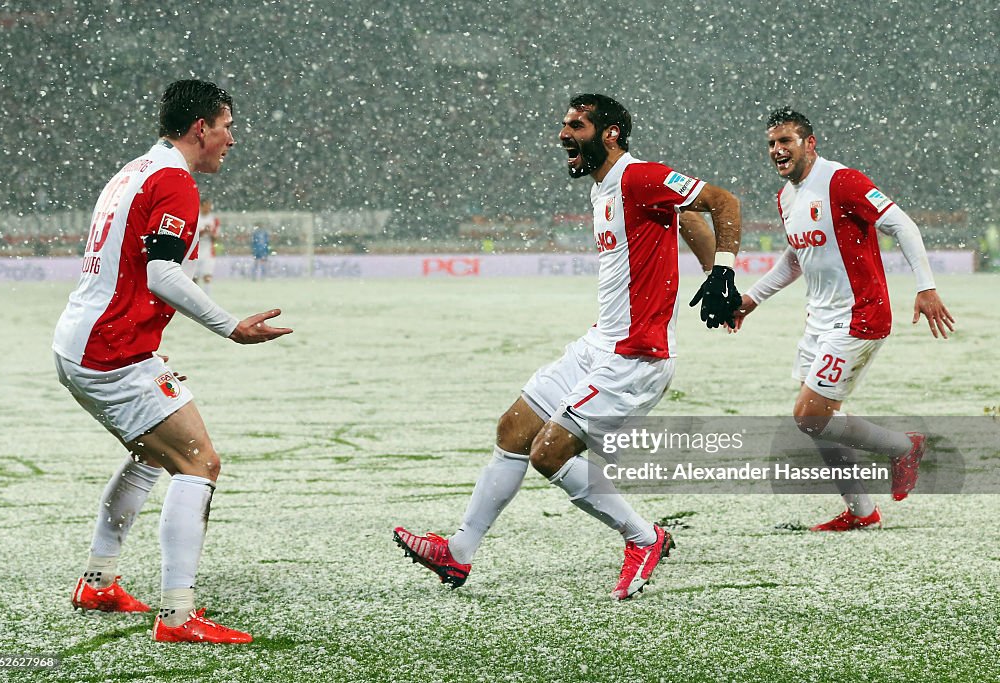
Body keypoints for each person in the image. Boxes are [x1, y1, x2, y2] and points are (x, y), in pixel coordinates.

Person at [394, 93, 743, 600]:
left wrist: (725, 272)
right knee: (514, 428)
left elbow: (721, 202)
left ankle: (644, 538)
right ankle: (459, 552)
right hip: (598, 342)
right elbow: (685, 217)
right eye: (563, 124)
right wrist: (714, 276)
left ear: (611, 134)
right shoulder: (607, 188)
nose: (563, 135)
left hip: (636, 356)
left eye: (575, 126)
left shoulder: (637, 175)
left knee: (549, 452)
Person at [53, 79, 293, 643]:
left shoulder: (132, 171)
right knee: (199, 462)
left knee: (150, 454)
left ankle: (99, 580)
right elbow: (161, 273)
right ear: (199, 129)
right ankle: (178, 616)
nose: (232, 139)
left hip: (86, 341)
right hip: (108, 350)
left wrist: (147, 348)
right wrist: (231, 326)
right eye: (227, 127)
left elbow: (127, 269)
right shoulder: (176, 183)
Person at [731, 107, 955, 531]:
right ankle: (862, 513)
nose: (777, 151)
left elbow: (902, 225)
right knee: (820, 423)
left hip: (860, 316)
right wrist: (752, 299)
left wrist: (926, 286)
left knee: (809, 416)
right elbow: (795, 259)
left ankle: (904, 447)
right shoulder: (787, 197)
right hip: (819, 320)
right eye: (772, 144)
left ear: (809, 143)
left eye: (786, 142)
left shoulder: (841, 181)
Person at [191, 199, 220, 293]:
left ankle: (207, 299)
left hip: (208, 253)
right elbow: (190, 236)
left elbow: (216, 238)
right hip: (195, 252)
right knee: (193, 278)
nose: (209, 208)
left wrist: (210, 233)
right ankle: (194, 299)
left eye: (210, 206)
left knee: (207, 277)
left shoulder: (214, 220)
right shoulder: (195, 218)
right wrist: (202, 232)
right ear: (201, 206)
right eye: (207, 206)